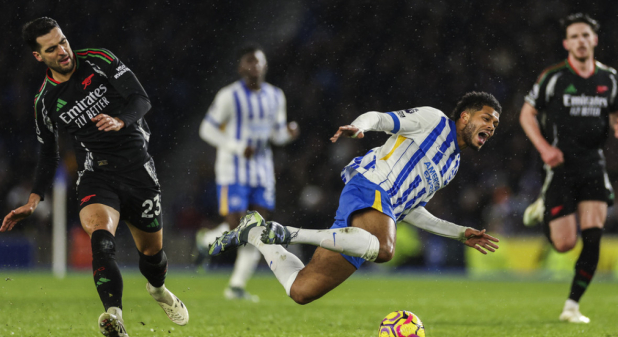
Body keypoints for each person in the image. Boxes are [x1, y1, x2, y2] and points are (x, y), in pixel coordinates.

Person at [0, 17, 189, 337]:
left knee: (153, 257)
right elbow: (49, 155)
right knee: (101, 237)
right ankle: (113, 315)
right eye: (51, 48)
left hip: (138, 170)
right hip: (96, 175)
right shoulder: (45, 101)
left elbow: (141, 100)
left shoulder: (99, 60)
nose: (62, 51)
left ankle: (157, 289)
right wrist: (34, 198)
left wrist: (119, 120)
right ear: (37, 56)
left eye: (63, 41)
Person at [208, 92, 501, 305]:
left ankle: (257, 233)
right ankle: (287, 233)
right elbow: (381, 119)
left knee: (301, 291)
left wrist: (460, 233)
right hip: (370, 185)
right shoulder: (433, 120)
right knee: (385, 249)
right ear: (465, 116)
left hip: (378, 213)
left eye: (495, 124)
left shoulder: (452, 166)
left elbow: (412, 211)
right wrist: (360, 125)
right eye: (486, 118)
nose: (491, 126)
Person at [520, 13, 618, 323]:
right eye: (575, 36)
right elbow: (526, 115)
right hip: (561, 167)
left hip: (594, 164)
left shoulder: (609, 78)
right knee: (564, 243)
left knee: (594, 236)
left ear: (594, 40)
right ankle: (544, 208)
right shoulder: (554, 77)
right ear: (567, 43)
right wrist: (545, 149)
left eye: (586, 35)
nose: (581, 41)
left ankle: (572, 306)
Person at [198, 44, 299, 301]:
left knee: (258, 229)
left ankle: (236, 286)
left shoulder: (276, 96)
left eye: (258, 62)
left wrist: (287, 135)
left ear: (265, 66)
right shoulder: (229, 96)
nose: (254, 66)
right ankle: (208, 239)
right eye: (249, 62)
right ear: (241, 67)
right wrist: (237, 146)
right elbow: (206, 130)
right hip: (232, 171)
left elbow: (275, 135)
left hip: (262, 172)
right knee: (236, 225)